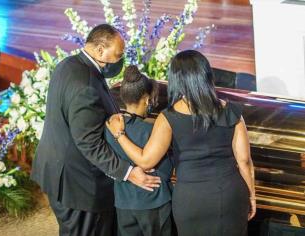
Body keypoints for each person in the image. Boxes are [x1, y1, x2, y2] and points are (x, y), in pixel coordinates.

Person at [106, 50, 256, 236]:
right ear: (206, 75)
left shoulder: (168, 118)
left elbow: (146, 161)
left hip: (191, 199)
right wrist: (251, 195)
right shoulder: (232, 112)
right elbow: (244, 161)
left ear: (176, 79)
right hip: (230, 194)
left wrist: (119, 135)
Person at [31, 24, 161, 236]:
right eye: (118, 55)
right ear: (100, 50)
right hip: (78, 184)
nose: (120, 61)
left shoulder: (69, 64)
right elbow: (89, 143)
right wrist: (128, 173)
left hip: (57, 172)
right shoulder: (86, 87)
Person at [105, 65, 173, 236]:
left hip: (124, 203)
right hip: (154, 202)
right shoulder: (151, 131)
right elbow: (166, 170)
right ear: (147, 99)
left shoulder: (110, 127)